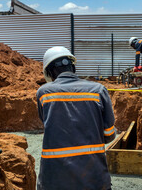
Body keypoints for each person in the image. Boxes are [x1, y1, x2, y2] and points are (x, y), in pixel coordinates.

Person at [36, 46, 116, 190]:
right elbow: (109, 135)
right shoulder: (98, 90)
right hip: (93, 178)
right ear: (73, 67)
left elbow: (47, 124)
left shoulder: (43, 93)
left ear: (49, 72)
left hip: (54, 179)